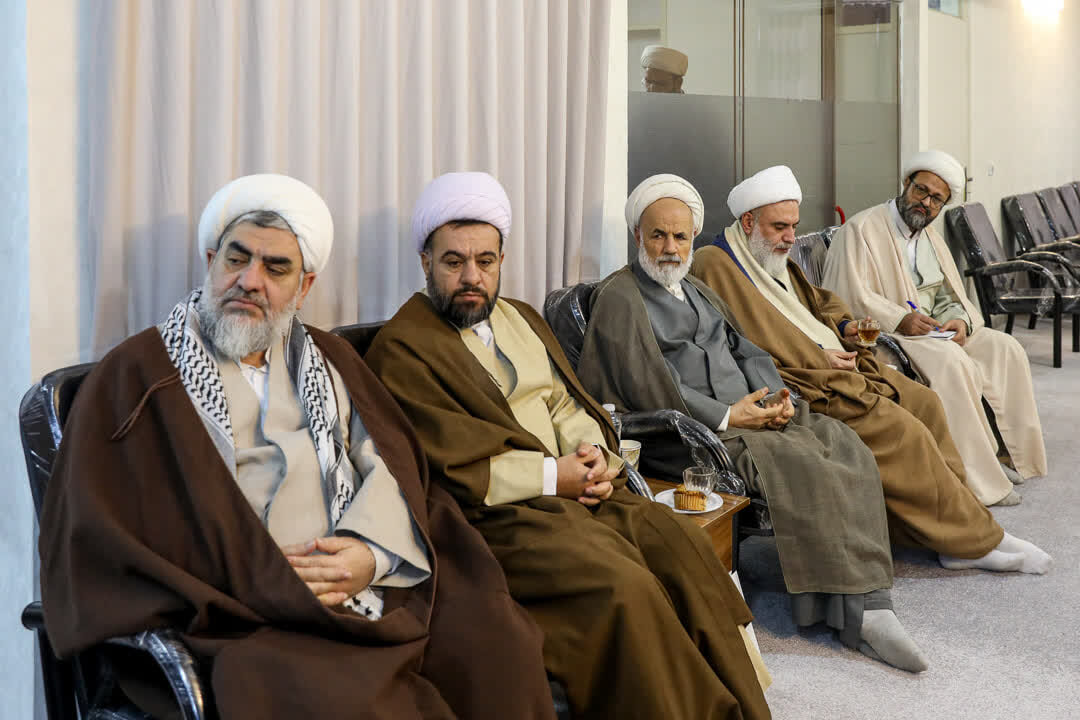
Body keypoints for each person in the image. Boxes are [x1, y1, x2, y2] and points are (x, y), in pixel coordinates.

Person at [38, 174, 554, 720]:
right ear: (211, 261)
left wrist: (372, 554)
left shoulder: (329, 360)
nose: (250, 281)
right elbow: (99, 526)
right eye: (236, 259)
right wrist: (263, 578)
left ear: (304, 287)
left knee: (494, 642)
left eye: (275, 268)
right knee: (321, 692)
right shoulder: (138, 373)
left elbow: (391, 465)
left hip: (370, 581)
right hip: (244, 611)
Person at [367, 171, 772, 720]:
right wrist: (555, 477)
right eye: (453, 262)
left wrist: (594, 457)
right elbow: (450, 468)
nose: (471, 277)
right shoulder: (403, 347)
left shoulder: (519, 317)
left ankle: (738, 704)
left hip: (578, 488)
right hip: (500, 517)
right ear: (425, 263)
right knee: (623, 584)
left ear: (501, 261)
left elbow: (564, 403)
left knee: (679, 544)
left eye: (485, 261)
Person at [575, 173, 928, 672]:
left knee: (843, 444)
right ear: (638, 236)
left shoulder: (696, 288)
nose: (670, 248)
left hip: (750, 412)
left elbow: (745, 348)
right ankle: (860, 615)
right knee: (804, 463)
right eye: (658, 235)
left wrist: (777, 397)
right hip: (695, 435)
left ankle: (864, 599)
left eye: (680, 236)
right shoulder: (621, 296)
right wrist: (727, 414)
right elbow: (646, 382)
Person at [689, 165, 1052, 576]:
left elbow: (817, 300)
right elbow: (748, 337)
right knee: (902, 431)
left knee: (926, 402)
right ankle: (968, 540)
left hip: (834, 360)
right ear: (748, 222)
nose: (790, 237)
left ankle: (954, 528)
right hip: (799, 380)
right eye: (780, 227)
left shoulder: (770, 255)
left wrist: (843, 325)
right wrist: (818, 355)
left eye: (793, 226)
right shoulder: (716, 263)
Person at [821, 150, 1047, 506]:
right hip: (888, 337)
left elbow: (945, 294)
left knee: (1005, 348)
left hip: (931, 331)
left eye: (936, 199)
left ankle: (1007, 456)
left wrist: (958, 320)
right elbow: (846, 296)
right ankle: (975, 476)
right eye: (921, 191)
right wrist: (900, 318)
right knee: (951, 362)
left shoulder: (929, 237)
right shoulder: (862, 230)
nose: (925, 203)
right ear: (905, 184)